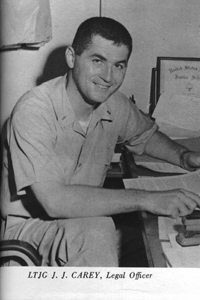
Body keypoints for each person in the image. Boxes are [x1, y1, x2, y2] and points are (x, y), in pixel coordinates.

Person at [1, 17, 200, 267]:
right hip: (30, 232)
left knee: (154, 249)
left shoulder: (114, 103)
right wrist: (148, 198)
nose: (108, 77)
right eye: (98, 61)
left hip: (82, 220)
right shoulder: (34, 110)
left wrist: (184, 156)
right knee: (98, 230)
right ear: (72, 57)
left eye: (119, 66)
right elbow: (54, 201)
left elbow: (145, 135)